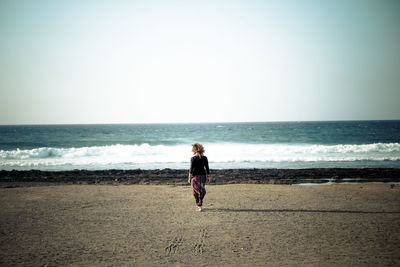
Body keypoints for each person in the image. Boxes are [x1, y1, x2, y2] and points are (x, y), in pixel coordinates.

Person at [188, 143, 210, 211]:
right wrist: (208, 176)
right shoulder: (205, 158)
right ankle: (200, 204)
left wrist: (189, 178)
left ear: (194, 150)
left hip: (195, 177)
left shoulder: (193, 158)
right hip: (203, 177)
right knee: (200, 190)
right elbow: (207, 168)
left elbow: (191, 169)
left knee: (196, 192)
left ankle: (199, 204)